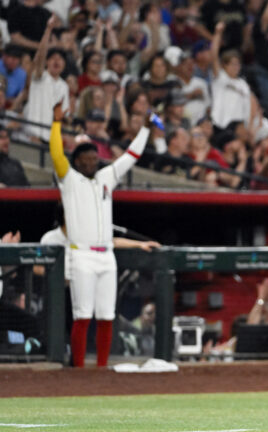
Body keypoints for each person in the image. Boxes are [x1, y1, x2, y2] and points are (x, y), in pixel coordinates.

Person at [49, 101, 154, 368]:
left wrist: (146, 130)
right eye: (86, 160)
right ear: (78, 162)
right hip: (81, 255)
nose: (91, 163)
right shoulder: (69, 180)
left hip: (106, 255)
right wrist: (56, 123)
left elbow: (131, 156)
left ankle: (102, 368)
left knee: (107, 315)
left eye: (94, 159)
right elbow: (57, 156)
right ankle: (80, 369)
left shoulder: (106, 177)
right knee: (83, 315)